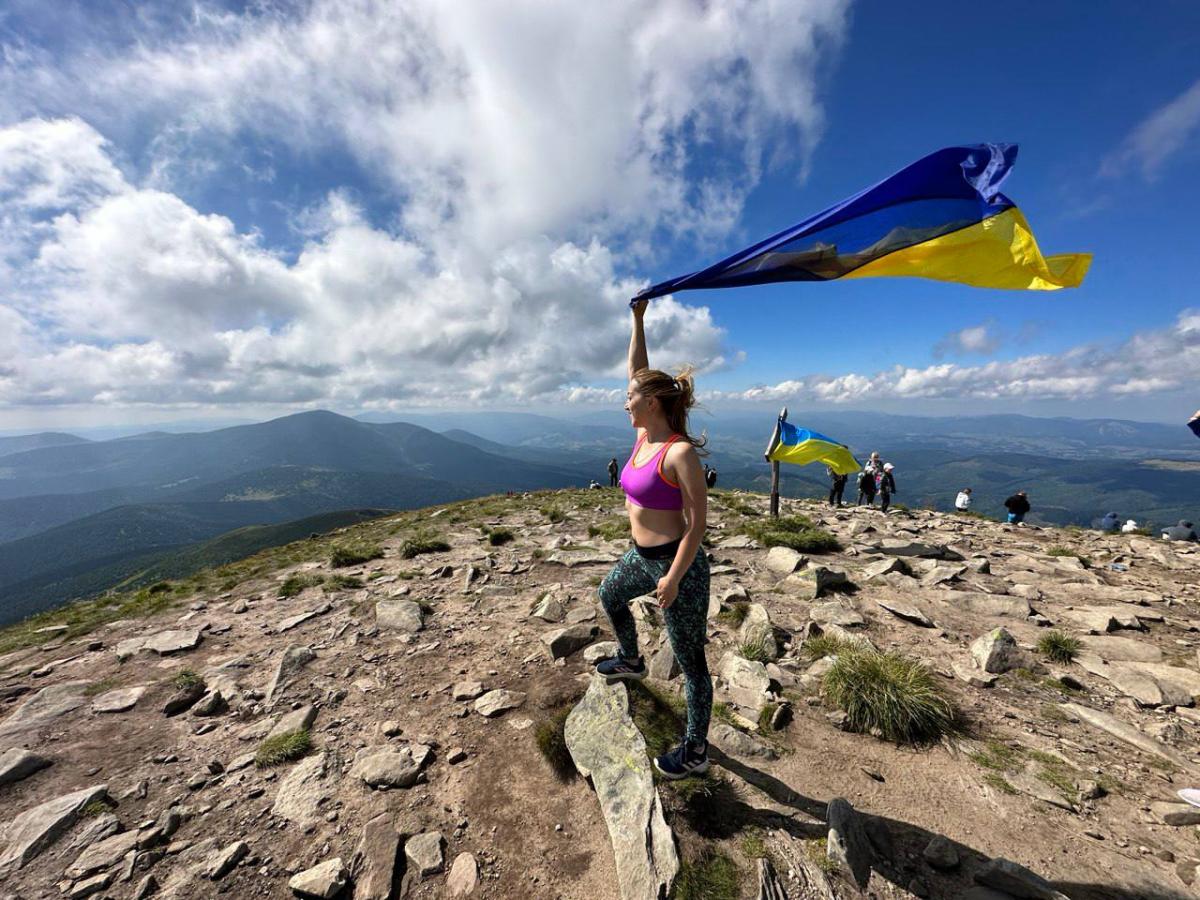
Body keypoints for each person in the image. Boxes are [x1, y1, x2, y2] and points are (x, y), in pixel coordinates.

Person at [595, 298, 712, 780]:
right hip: (640, 556)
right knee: (608, 594)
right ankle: (631, 659)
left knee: (690, 660)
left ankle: (696, 749)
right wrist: (638, 318)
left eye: (633, 399)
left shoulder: (678, 452)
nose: (626, 402)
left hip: (674, 563)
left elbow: (698, 525)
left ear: (654, 403)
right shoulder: (644, 437)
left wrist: (674, 579)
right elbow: (637, 369)